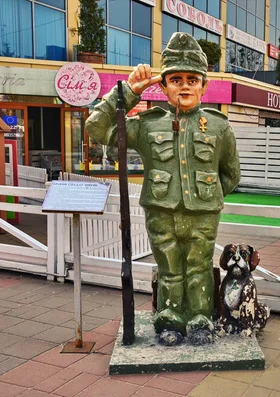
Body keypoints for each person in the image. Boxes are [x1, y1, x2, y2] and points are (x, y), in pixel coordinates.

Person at [85, 32, 241, 346]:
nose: (184, 86)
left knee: (199, 266)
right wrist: (129, 91)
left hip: (203, 214)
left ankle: (200, 320)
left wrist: (206, 197)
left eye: (192, 79)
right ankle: (169, 320)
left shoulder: (220, 126)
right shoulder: (147, 124)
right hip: (161, 211)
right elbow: (97, 128)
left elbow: (231, 175)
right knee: (169, 267)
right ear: (163, 85)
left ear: (203, 85)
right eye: (176, 79)